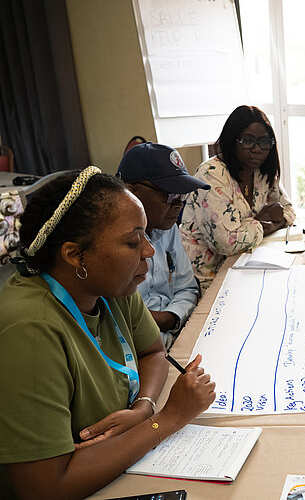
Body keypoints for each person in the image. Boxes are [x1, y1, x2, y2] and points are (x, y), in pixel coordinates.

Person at [0, 168, 215, 499]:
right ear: (74, 254)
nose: (148, 251)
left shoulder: (111, 284)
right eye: (132, 241)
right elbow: (44, 487)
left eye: (145, 236)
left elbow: (154, 352)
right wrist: (166, 419)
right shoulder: (30, 329)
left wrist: (143, 407)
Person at [181, 106, 296, 290]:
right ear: (232, 141)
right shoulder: (211, 174)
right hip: (206, 277)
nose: (257, 149)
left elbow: (288, 210)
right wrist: (263, 221)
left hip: (246, 264)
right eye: (248, 141)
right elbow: (226, 243)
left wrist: (263, 223)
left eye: (264, 141)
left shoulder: (261, 171)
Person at [118, 142, 210, 349]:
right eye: (169, 195)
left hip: (175, 334)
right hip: (143, 352)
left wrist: (170, 318)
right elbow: (125, 319)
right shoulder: (112, 246)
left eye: (183, 196)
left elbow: (187, 287)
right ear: (131, 191)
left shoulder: (167, 228)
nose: (178, 205)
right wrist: (154, 321)